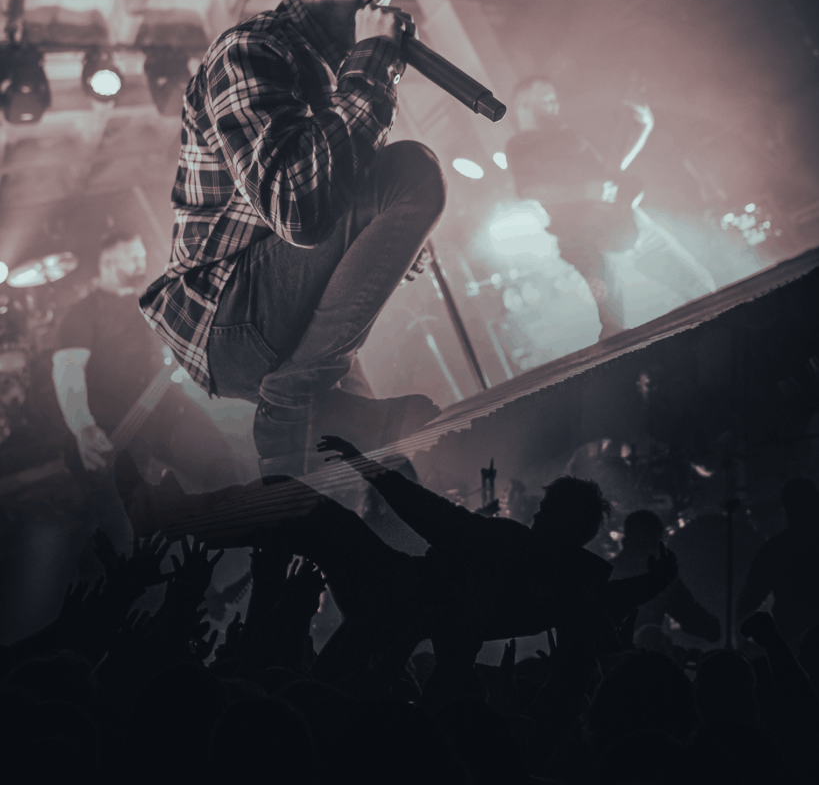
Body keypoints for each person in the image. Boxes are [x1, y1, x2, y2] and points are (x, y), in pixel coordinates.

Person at [139, 0, 447, 478]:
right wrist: (373, 74)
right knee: (415, 169)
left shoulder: (343, 66)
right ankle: (291, 403)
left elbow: (341, 194)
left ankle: (305, 468)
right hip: (227, 315)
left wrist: (391, 233)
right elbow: (299, 212)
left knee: (380, 477)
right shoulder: (251, 51)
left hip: (288, 315)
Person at [115, 435, 678, 680]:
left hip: (392, 590)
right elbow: (601, 598)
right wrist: (647, 589)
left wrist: (366, 466)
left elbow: (435, 518)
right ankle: (172, 515)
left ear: (558, 521)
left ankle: (168, 517)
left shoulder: (523, 550)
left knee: (295, 502)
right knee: (337, 676)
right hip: (400, 606)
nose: (532, 516)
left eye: (543, 510)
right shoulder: (569, 580)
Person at [52, 231, 238, 529]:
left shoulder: (152, 300)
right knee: (138, 514)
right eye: (133, 258)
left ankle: (236, 542)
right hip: (115, 421)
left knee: (222, 464)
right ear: (109, 263)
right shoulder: (83, 314)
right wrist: (82, 425)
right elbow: (68, 370)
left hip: (166, 407)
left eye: (142, 256)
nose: (142, 263)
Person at [505, 78, 713, 341]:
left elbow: (611, 171)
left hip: (630, 224)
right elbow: (530, 190)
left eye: (554, 98)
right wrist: (583, 191)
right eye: (546, 99)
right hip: (588, 241)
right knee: (616, 326)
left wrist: (643, 130)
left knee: (700, 287)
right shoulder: (520, 146)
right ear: (523, 104)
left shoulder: (569, 134)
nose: (555, 103)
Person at [610, 509, 721, 643]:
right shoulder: (661, 579)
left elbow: (687, 612)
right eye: (655, 540)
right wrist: (712, 626)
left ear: (626, 540)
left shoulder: (604, 573)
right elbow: (689, 614)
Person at [736, 477, 819, 644]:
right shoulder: (774, 549)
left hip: (793, 641)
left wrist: (742, 641)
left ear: (786, 509)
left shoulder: (775, 549)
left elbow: (748, 600)